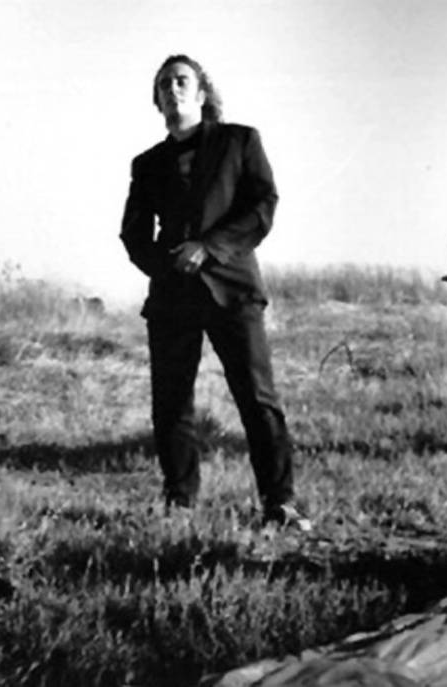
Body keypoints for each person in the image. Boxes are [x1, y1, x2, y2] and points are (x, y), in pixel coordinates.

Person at [120, 54, 309, 531]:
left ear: (201, 93)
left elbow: (262, 206)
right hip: (172, 298)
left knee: (257, 399)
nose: (173, 89)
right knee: (171, 404)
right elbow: (133, 234)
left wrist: (209, 248)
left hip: (233, 290)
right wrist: (168, 266)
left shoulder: (239, 141)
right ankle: (180, 502)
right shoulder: (147, 164)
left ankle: (280, 503)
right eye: (164, 84)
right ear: (156, 100)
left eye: (182, 81)